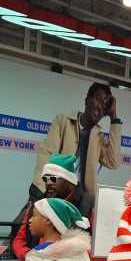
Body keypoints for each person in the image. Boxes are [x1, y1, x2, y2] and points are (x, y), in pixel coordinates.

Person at [33, 83, 121, 216]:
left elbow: (113, 162)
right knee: (24, 225)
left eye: (104, 106)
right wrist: (46, 188)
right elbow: (47, 154)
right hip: (55, 191)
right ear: (87, 100)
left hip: (81, 201)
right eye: (97, 99)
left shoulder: (98, 137)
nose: (99, 106)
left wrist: (114, 118)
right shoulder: (63, 122)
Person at [10, 154, 79, 261]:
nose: (48, 184)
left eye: (53, 178)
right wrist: (30, 256)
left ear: (68, 180)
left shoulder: (86, 206)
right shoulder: (37, 206)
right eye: (45, 179)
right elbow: (19, 240)